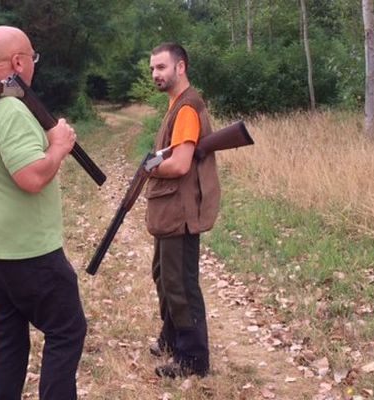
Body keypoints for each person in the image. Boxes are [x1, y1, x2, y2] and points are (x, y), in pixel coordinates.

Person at [0, 26, 87, 400]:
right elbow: (31, 177)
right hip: (29, 250)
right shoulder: (10, 108)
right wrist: (58, 145)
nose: (33, 65)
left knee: (8, 335)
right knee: (67, 330)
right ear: (17, 62)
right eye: (32, 58)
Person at [145, 42, 220, 379]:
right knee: (164, 275)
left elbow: (179, 164)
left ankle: (194, 358)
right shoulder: (176, 105)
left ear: (181, 67)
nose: (155, 74)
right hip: (170, 210)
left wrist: (149, 167)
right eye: (152, 69)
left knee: (181, 285)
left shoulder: (187, 108)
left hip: (181, 211)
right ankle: (172, 336)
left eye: (161, 67)